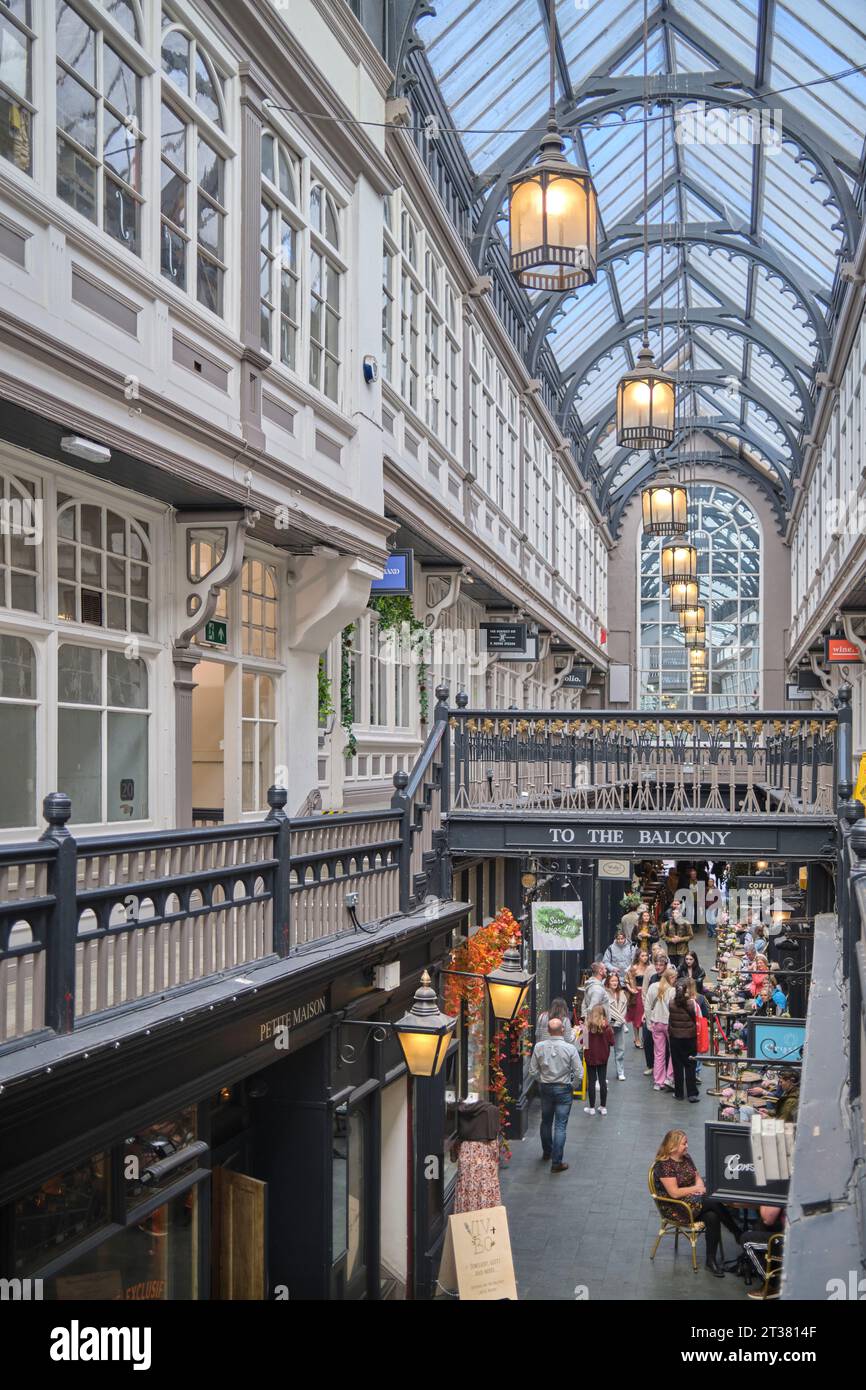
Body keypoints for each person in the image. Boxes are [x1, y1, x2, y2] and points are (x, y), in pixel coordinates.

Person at [653, 1130, 741, 1276]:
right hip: (676, 1207)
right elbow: (674, 1193)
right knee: (712, 1200)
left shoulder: (686, 1158)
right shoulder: (664, 1166)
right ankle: (736, 1231)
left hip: (692, 1201)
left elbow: (697, 1176)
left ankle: (710, 1261)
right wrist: (697, 1189)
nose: (687, 1146)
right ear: (673, 1146)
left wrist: (699, 1188)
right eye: (684, 1143)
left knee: (712, 1216)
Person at [528, 1016, 580, 1171]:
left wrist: (541, 1080)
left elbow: (532, 1071)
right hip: (563, 1088)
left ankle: (547, 1152)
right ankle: (556, 1162)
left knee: (546, 1121)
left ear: (548, 1031)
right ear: (562, 1030)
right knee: (560, 1126)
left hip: (546, 1088)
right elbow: (579, 1073)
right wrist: (572, 1086)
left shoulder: (539, 1047)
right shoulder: (570, 1048)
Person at [452, 1099, 501, 1214]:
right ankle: (485, 1223)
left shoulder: (461, 1112)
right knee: (485, 1190)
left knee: (465, 1191)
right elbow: (495, 1150)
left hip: (466, 1158)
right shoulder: (491, 1111)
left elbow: (454, 1150)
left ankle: (465, 1223)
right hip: (485, 1159)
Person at [645, 965, 678, 1091]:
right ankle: (669, 1078)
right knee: (673, 1051)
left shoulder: (653, 987)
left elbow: (647, 1006)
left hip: (656, 1022)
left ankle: (658, 1082)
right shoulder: (672, 991)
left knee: (659, 1053)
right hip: (669, 1023)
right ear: (671, 978)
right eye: (675, 977)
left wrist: (649, 1023)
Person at [668, 980, 700, 1102]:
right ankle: (692, 1093)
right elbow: (697, 1017)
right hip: (690, 1037)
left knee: (677, 1065)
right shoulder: (692, 1004)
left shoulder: (671, 1003)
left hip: (675, 1037)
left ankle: (679, 1092)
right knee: (690, 1064)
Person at [642, 949, 670, 1075]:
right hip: (652, 1013)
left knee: (665, 1045)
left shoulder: (670, 978)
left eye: (661, 965)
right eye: (656, 964)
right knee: (648, 1039)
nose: (658, 967)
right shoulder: (653, 977)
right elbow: (646, 994)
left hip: (665, 1015)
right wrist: (645, 1012)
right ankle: (652, 1065)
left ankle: (665, 1067)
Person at [584, 1004, 615, 1116]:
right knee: (602, 1081)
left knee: (591, 1081)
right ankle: (603, 1107)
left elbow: (583, 1043)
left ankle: (591, 1107)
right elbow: (612, 1042)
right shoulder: (607, 1028)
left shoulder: (587, 1027)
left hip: (590, 1057)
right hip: (603, 1058)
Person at [606, 970, 629, 1080]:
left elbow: (624, 1008)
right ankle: (602, 1074)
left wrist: (620, 1020)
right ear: (608, 982)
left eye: (616, 981)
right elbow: (608, 1010)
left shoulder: (622, 993)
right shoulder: (604, 994)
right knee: (605, 1050)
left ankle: (620, 1071)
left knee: (620, 1049)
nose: (615, 983)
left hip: (619, 1025)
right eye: (612, 981)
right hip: (609, 1025)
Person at [625, 949, 649, 1049]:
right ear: (638, 957)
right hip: (637, 994)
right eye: (643, 956)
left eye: (646, 956)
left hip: (647, 993)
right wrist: (631, 989)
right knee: (637, 1016)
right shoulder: (633, 968)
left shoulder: (649, 968)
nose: (645, 958)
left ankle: (644, 1037)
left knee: (646, 1016)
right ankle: (637, 1038)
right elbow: (626, 980)